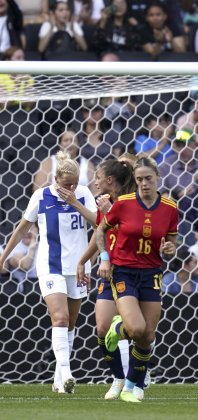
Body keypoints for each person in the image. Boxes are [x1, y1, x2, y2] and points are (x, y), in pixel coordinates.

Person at [0, 151, 97, 394]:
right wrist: (1, 259)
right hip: (50, 267)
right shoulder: (41, 196)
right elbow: (21, 230)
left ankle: (59, 378)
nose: (71, 187)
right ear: (56, 179)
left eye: (74, 183)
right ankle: (68, 374)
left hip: (79, 266)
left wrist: (75, 203)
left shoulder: (83, 193)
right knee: (59, 318)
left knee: (70, 324)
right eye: (66, 183)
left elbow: (99, 224)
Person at [97, 157, 178, 403]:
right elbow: (100, 229)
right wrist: (104, 259)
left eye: (148, 179)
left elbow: (172, 240)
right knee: (136, 328)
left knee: (148, 336)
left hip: (152, 273)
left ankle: (131, 387)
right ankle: (117, 330)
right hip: (123, 271)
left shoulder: (170, 207)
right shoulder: (123, 203)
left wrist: (170, 249)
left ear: (157, 178)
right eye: (139, 179)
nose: (143, 184)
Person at [76, 157, 137, 400]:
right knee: (102, 328)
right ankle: (118, 377)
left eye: (98, 177)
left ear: (110, 180)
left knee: (138, 329)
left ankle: (137, 372)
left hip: (135, 271)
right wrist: (83, 261)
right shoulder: (107, 202)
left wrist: (107, 213)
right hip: (109, 271)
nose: (95, 181)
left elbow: (130, 237)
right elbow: (100, 232)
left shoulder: (133, 203)